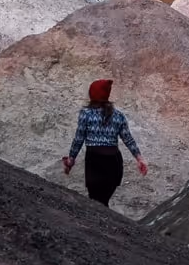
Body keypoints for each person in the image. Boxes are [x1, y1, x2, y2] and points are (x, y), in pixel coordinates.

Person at [63, 78, 147, 207]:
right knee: (103, 201)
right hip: (114, 162)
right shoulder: (118, 115)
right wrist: (139, 158)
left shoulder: (85, 114)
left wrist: (71, 160)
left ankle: (98, 226)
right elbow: (128, 139)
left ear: (92, 95)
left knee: (95, 201)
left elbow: (79, 139)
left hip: (94, 161)